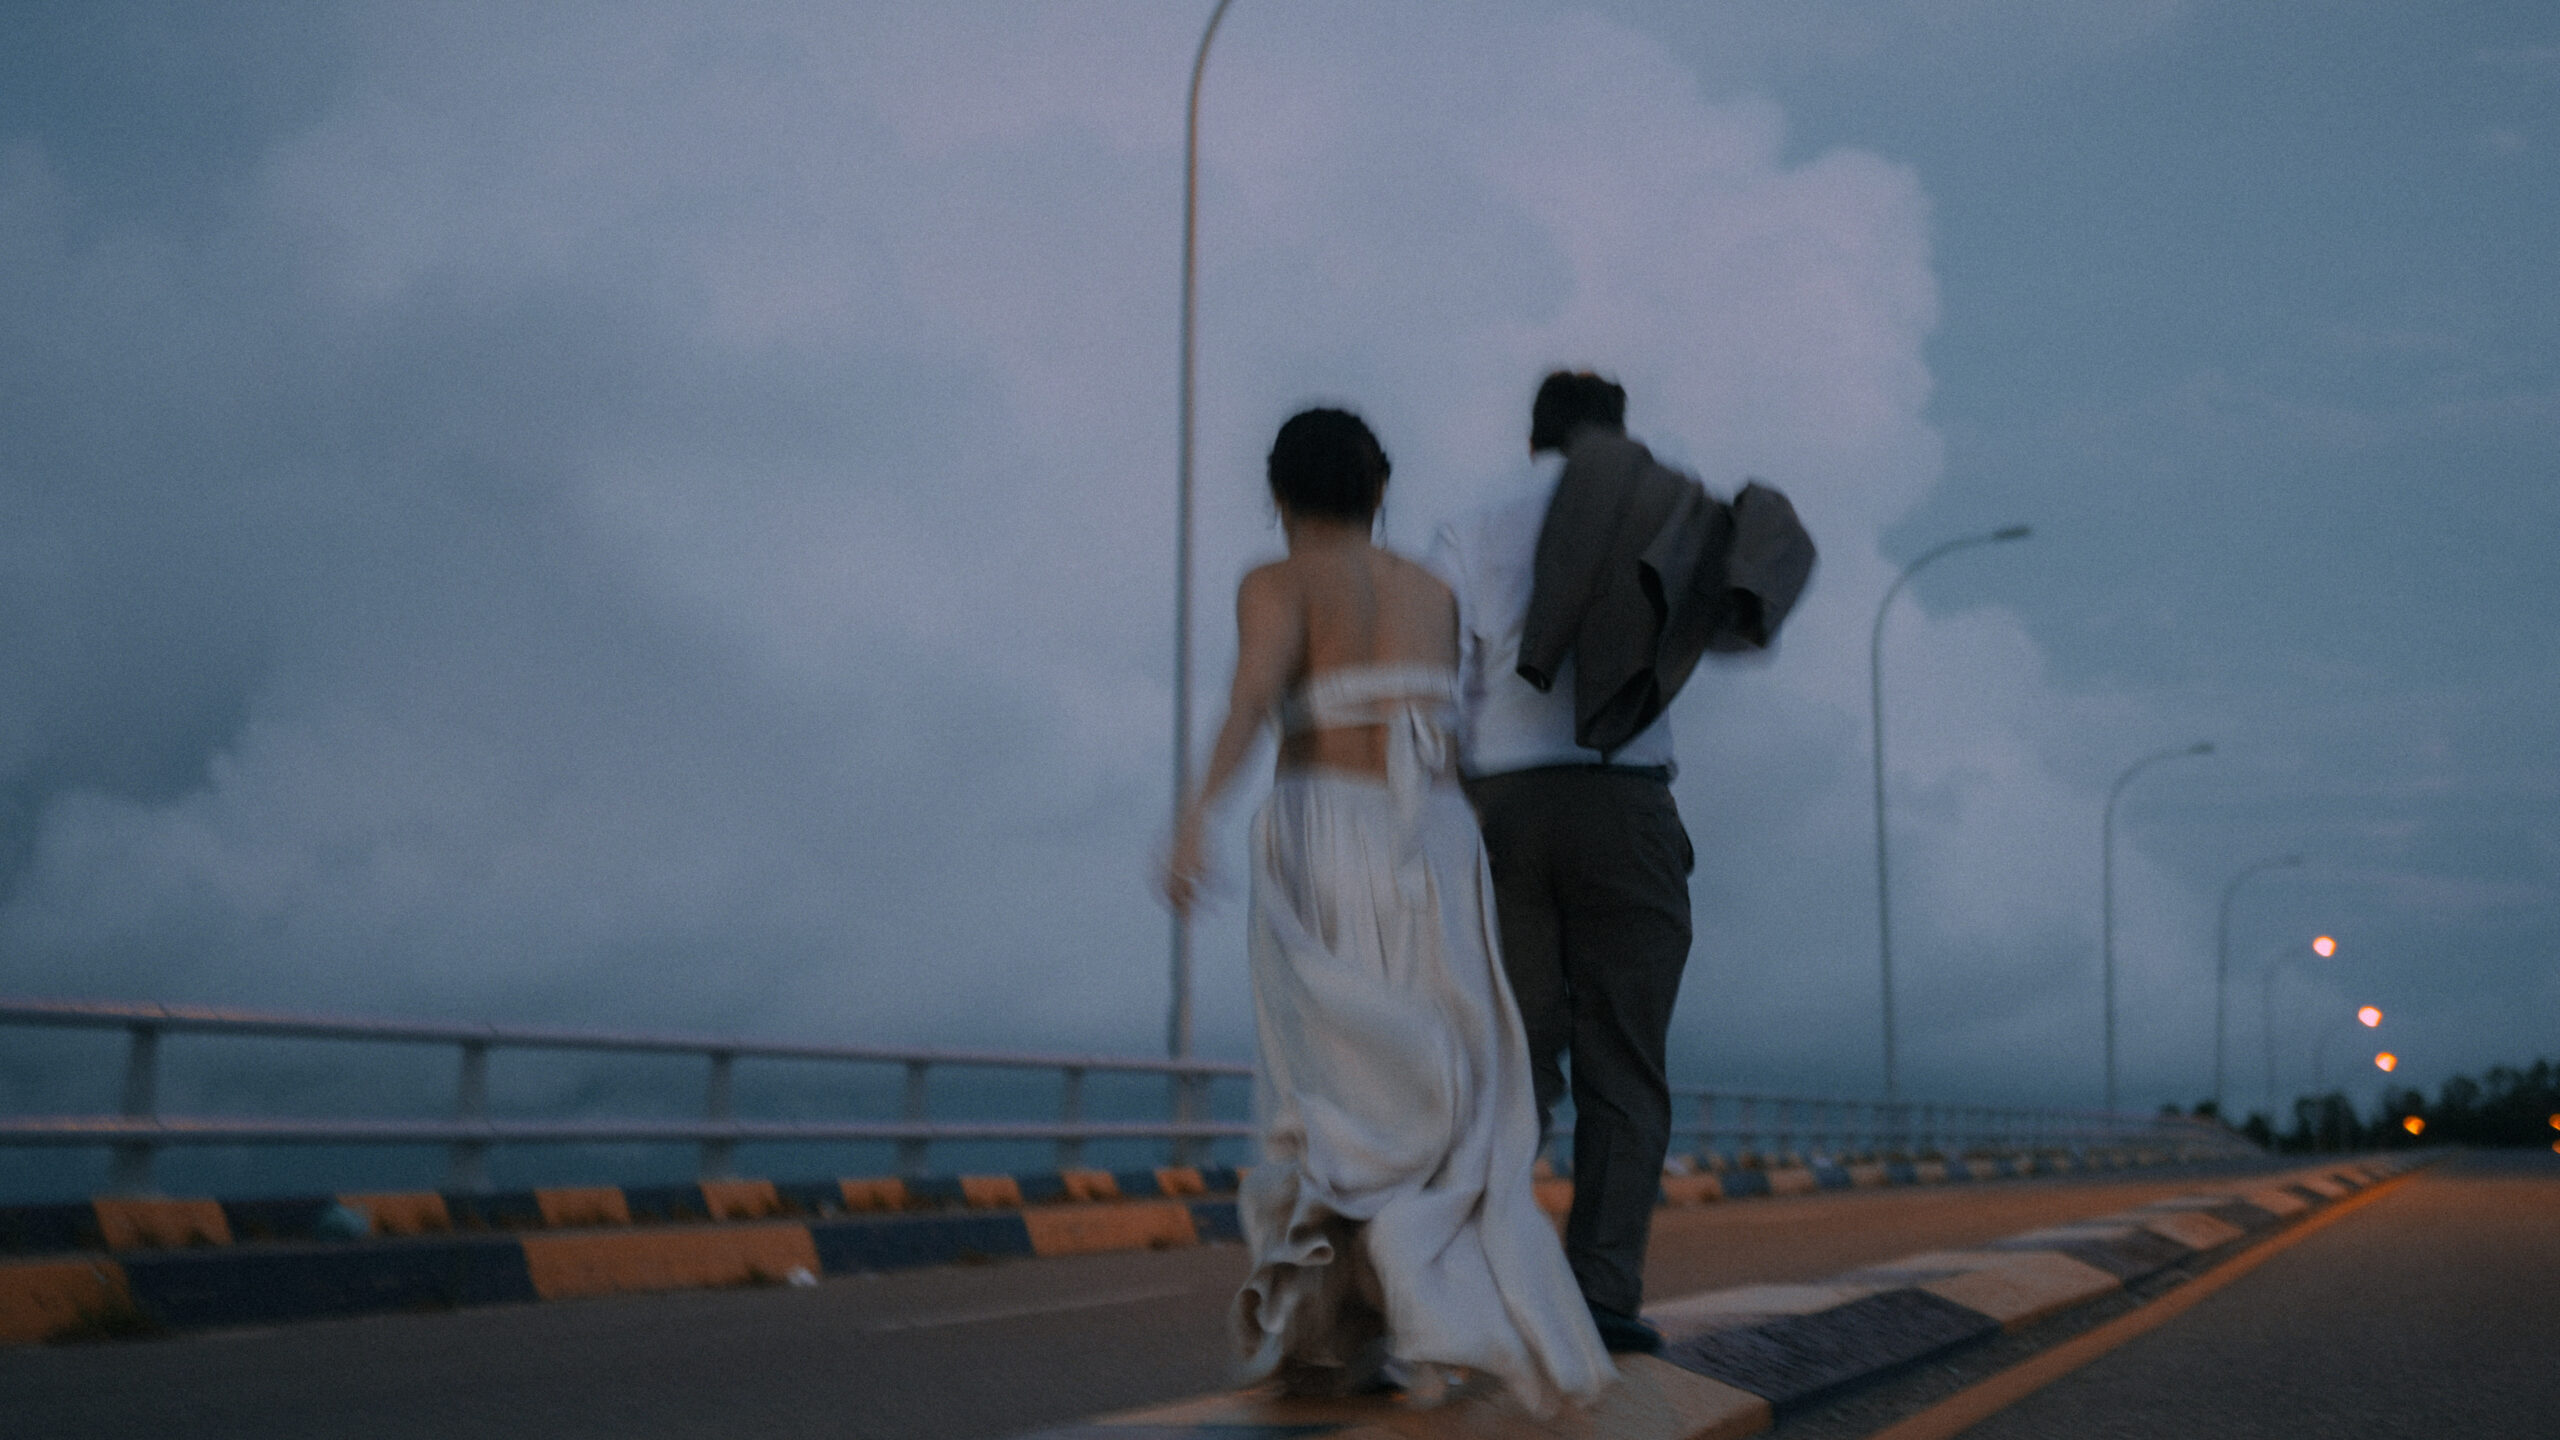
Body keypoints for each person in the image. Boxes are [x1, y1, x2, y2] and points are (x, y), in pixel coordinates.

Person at [1163, 407, 1612, 1413]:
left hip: (1328, 830)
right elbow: (1453, 725)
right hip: (1437, 842)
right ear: (1379, 490)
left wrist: (1193, 817)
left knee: (1332, 1094)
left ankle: (1342, 1328)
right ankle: (1416, 1319)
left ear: (1277, 496)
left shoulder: (1275, 581)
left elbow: (1251, 695)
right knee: (1435, 1093)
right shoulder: (1433, 591)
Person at [1425, 371, 1695, 1356]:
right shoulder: (1661, 514)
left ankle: (1474, 1283)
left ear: (1534, 438)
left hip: (1500, 806)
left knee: (1511, 1057)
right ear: (1618, 439)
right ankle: (1600, 1295)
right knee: (1624, 1058)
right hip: (1624, 796)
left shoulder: (1467, 527)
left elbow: (1436, 689)